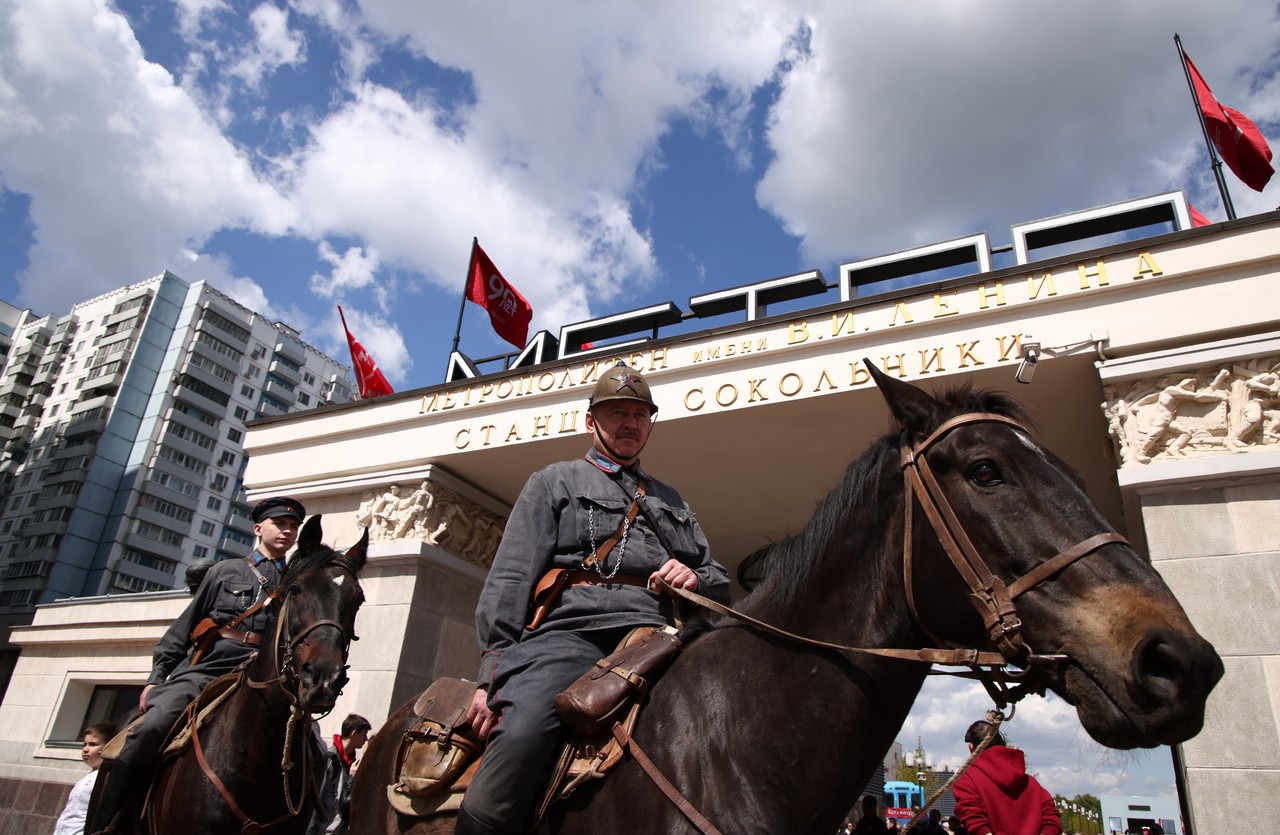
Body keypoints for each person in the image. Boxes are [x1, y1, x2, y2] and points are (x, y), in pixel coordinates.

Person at [457, 365, 732, 835]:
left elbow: (719, 578)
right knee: (521, 739)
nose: (629, 422)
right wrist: (491, 677)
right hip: (572, 637)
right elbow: (509, 581)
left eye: (639, 414)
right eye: (617, 412)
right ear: (591, 422)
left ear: (650, 423)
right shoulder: (553, 482)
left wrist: (695, 576)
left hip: (660, 635)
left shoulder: (670, 498)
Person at [88, 496, 308, 834]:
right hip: (206, 672)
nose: (288, 530)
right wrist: (157, 676)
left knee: (312, 746)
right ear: (258, 528)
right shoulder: (225, 571)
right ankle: (107, 822)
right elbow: (185, 625)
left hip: (260, 676)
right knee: (151, 728)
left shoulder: (297, 582)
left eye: (293, 526)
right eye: (281, 523)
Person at [952, 720, 1063, 835]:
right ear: (1001, 741)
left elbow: (975, 821)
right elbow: (1052, 818)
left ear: (971, 747)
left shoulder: (967, 780)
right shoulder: (1031, 783)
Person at [308, 713, 372, 835]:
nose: (366, 739)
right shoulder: (331, 759)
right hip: (322, 830)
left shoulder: (352, 764)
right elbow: (318, 801)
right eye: (364, 734)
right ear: (354, 734)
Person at [53, 722, 118, 835]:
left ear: (108, 747)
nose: (85, 749)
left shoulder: (108, 778)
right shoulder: (87, 777)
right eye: (84, 744)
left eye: (93, 744)